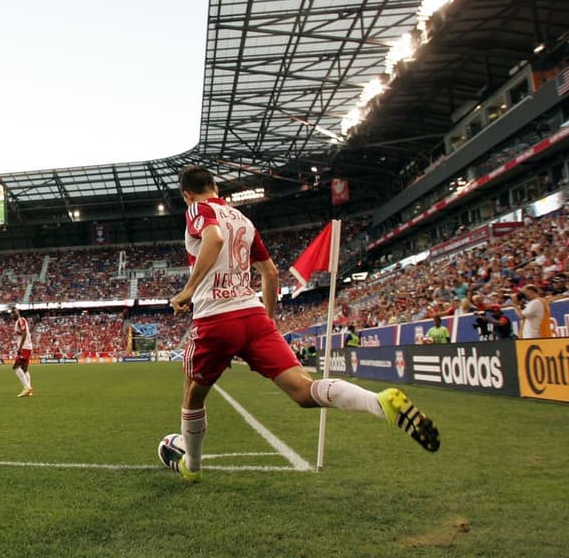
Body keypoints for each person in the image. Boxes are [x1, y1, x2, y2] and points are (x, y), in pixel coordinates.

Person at [160, 166, 439, 483]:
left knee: (192, 395)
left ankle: (192, 467)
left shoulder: (199, 208)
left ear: (187, 194)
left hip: (216, 315)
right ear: (215, 185)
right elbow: (271, 274)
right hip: (254, 316)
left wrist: (188, 289)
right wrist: (267, 318)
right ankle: (378, 402)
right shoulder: (244, 221)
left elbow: (214, 238)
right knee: (304, 390)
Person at [9, 306, 34, 397]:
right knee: (24, 369)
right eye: (12, 313)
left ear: (18, 312)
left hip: (24, 347)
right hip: (28, 347)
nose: (13, 314)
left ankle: (26, 387)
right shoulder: (19, 321)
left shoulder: (20, 321)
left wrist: (20, 347)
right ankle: (30, 389)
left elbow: (24, 333)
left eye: (15, 312)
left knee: (16, 367)